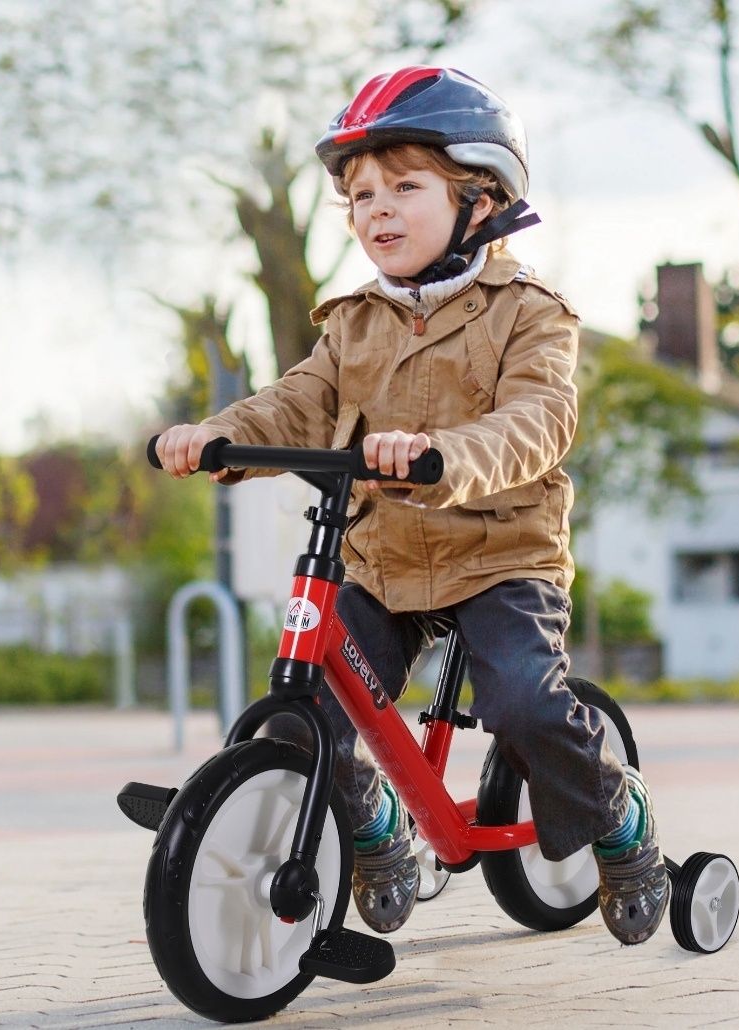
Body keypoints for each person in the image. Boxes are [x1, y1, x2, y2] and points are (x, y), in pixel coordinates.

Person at [156, 67, 668, 944]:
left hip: (499, 557)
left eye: (405, 186)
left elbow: (537, 419)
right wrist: (216, 434)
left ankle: (620, 822)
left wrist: (444, 456)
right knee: (305, 703)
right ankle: (377, 832)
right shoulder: (352, 321)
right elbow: (297, 399)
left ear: (480, 198)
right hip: (384, 556)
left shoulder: (531, 313)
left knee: (525, 706)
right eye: (359, 195)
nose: (376, 210)